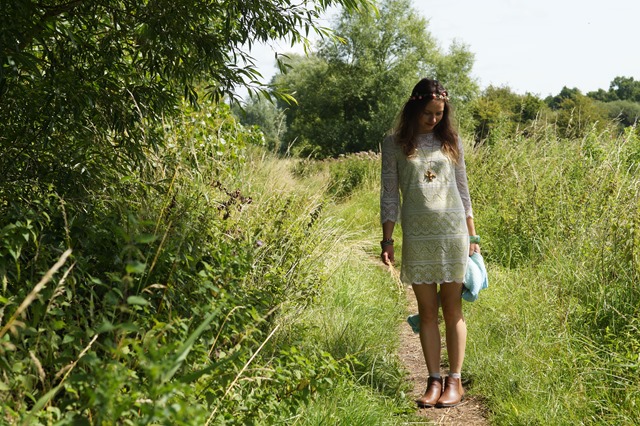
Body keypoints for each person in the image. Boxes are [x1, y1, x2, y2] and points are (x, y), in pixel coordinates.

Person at [380, 78, 480, 408]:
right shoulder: (393, 143)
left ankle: (455, 381)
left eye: (439, 114)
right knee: (426, 312)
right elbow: (390, 194)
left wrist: (473, 236)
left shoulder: (451, 141)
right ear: (413, 107)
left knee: (452, 309)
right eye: (427, 113)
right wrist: (388, 238)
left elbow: (464, 191)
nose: (433, 119)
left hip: (453, 234)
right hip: (418, 237)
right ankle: (433, 380)